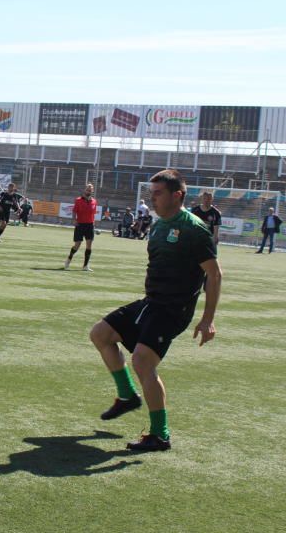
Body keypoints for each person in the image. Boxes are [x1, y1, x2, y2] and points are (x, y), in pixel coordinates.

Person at [88, 169, 221, 453]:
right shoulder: (158, 225)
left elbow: (214, 274)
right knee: (100, 334)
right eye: (152, 192)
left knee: (143, 362)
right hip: (151, 302)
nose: (152, 198)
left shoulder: (195, 229)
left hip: (174, 309)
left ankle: (160, 435)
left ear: (178, 195)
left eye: (158, 193)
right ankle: (127, 396)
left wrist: (208, 320)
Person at [63, 183, 98, 271]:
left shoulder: (94, 201)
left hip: (90, 225)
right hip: (80, 225)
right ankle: (69, 258)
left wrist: (93, 222)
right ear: (84, 190)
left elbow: (93, 213)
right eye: (87, 189)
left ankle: (85, 266)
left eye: (90, 190)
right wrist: (74, 220)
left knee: (89, 245)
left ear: (92, 191)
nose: (89, 191)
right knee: (77, 245)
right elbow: (74, 211)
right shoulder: (78, 200)